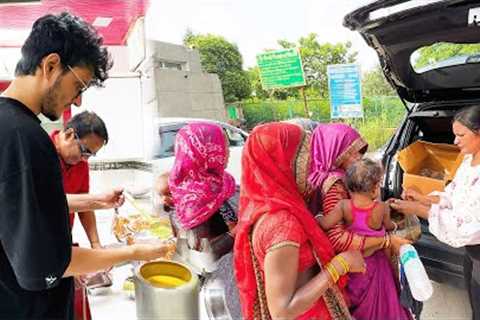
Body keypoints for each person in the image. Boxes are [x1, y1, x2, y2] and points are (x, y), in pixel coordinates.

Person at [0, 12, 170, 319]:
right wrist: (137, 252)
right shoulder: (26, 139)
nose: (78, 102)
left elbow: (24, 208)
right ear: (51, 65)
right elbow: (48, 264)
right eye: (79, 86)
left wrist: (95, 201)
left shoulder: (8, 128)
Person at [234, 122, 366, 320]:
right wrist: (340, 265)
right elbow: (282, 311)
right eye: (304, 157)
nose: (311, 165)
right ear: (283, 163)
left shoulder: (268, 205)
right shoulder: (282, 224)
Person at [390, 105, 480, 320]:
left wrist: (419, 210)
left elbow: (464, 225)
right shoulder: (468, 161)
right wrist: (423, 198)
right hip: (472, 252)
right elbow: (453, 195)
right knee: (473, 297)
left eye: (460, 135)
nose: (455, 142)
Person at [317, 158, 410, 320]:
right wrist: (397, 226)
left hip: (356, 263)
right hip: (378, 262)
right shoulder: (381, 208)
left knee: (358, 300)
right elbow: (388, 226)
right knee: (385, 299)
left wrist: (317, 216)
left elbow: (325, 224)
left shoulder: (343, 206)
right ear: (374, 190)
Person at [308, 123, 409, 256]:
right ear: (335, 151)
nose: (358, 158)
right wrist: (386, 240)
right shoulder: (335, 184)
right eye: (351, 152)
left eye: (359, 152)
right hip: (356, 258)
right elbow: (337, 239)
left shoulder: (344, 180)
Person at [51, 110, 109, 320]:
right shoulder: (40, 153)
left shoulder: (80, 165)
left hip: (63, 241)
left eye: (90, 154)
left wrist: (96, 244)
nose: (85, 159)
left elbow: (84, 205)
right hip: (40, 247)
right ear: (68, 135)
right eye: (84, 150)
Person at [167, 122, 238, 260]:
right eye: (223, 146)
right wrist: (237, 231)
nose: (228, 152)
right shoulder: (192, 200)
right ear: (204, 151)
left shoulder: (224, 181)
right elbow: (201, 255)